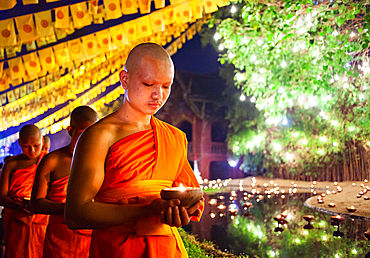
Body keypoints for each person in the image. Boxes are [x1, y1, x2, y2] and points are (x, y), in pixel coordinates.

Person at [65, 43, 203, 258]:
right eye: (149, 84)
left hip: (167, 248)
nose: (158, 95)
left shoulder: (174, 137)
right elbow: (76, 213)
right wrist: (146, 210)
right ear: (125, 80)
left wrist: (184, 210)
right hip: (117, 249)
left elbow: (190, 195)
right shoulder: (99, 135)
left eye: (166, 86)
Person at [31, 106, 99, 258]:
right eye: (82, 134)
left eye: (92, 134)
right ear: (70, 131)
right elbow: (36, 204)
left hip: (91, 237)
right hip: (60, 238)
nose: (88, 139)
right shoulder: (52, 161)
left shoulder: (102, 161)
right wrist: (70, 209)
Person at [0, 124, 48, 258]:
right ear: (19, 143)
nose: (32, 150)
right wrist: (20, 206)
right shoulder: (11, 164)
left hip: (41, 220)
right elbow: (2, 196)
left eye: (36, 146)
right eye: (26, 146)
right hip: (17, 219)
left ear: (42, 142)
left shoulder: (48, 161)